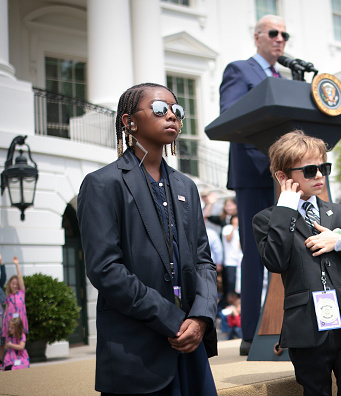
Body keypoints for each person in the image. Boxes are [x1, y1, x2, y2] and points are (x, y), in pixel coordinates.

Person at [77, 82, 218, 395]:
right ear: (129, 121)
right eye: (159, 109)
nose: (171, 115)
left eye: (176, 110)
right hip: (137, 352)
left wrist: (200, 318)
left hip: (190, 346)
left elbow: (203, 260)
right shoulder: (103, 184)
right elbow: (105, 269)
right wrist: (172, 319)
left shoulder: (186, 186)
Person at [252, 130, 341, 396]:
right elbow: (274, 261)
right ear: (283, 176)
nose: (319, 175)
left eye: (323, 167)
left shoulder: (337, 212)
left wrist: (340, 240)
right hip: (306, 327)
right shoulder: (267, 219)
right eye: (309, 170)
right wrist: (285, 207)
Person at [219, 14, 288, 355]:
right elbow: (231, 115)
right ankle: (249, 333)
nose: (280, 39)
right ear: (258, 37)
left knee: (289, 247)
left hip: (286, 177)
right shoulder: (239, 70)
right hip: (255, 174)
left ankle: (288, 323)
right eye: (273, 33)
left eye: (284, 35)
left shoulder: (284, 77)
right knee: (255, 252)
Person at [2, 256, 28, 347]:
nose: (15, 286)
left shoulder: (21, 293)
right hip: (10, 323)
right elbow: (6, 311)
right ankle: (11, 359)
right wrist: (4, 326)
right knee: (10, 343)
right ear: (9, 284)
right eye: (13, 284)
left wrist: (17, 264)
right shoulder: (8, 296)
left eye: (17, 284)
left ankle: (20, 358)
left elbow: (20, 277)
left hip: (19, 321)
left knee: (20, 340)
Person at [222, 214, 242, 296]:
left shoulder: (240, 230)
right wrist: (234, 227)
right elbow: (228, 238)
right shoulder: (227, 228)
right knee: (231, 282)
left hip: (239, 261)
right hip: (230, 261)